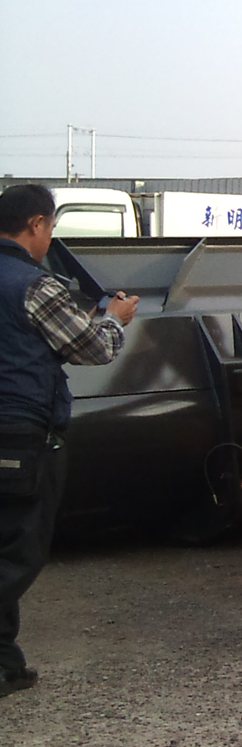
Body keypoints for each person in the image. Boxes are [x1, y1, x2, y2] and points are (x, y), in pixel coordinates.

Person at [0, 183, 137, 697]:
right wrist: (115, 320)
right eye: (51, 227)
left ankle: (6, 665)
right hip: (20, 436)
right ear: (36, 224)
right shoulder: (36, 286)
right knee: (21, 552)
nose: (49, 237)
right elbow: (92, 348)